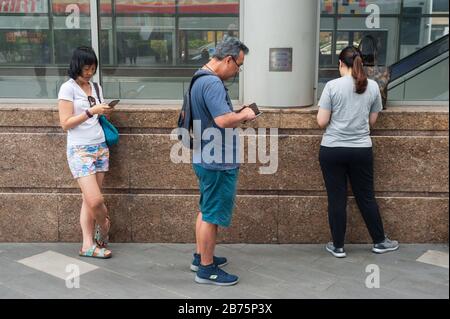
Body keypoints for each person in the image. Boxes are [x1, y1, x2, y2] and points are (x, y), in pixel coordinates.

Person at [317, 46, 399, 258]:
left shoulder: (332, 86)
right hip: (361, 149)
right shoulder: (372, 86)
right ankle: (380, 241)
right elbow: (372, 121)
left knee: (337, 199)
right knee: (366, 197)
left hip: (332, 149)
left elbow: (321, 121)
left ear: (340, 64)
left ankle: (338, 247)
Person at [190, 37, 256, 285]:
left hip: (203, 155)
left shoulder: (198, 77)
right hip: (217, 160)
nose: (238, 71)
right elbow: (222, 120)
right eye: (239, 65)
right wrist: (245, 114)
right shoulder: (213, 84)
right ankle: (206, 270)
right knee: (212, 216)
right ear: (228, 59)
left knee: (206, 210)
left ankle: (200, 257)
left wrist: (236, 115)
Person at [57, 46, 114, 259]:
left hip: (100, 146)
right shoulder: (68, 88)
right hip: (79, 149)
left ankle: (87, 244)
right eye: (86, 68)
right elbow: (65, 123)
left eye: (93, 68)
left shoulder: (96, 87)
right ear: (77, 66)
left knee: (87, 200)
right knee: (95, 200)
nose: (90, 72)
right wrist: (91, 111)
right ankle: (105, 225)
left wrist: (104, 111)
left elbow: (98, 117)